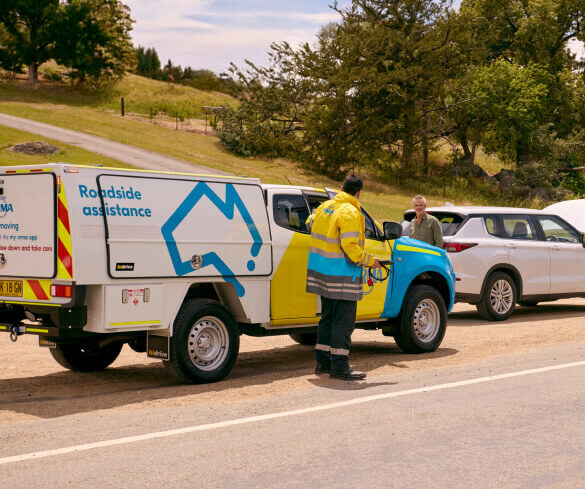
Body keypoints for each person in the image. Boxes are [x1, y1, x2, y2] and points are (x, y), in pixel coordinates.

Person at [306, 174, 381, 381]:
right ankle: (339, 366)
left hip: (322, 273)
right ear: (358, 193)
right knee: (343, 322)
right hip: (342, 275)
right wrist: (370, 261)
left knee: (327, 318)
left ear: (341, 188)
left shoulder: (324, 207)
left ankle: (322, 364)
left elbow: (309, 223)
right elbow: (350, 248)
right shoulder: (350, 212)